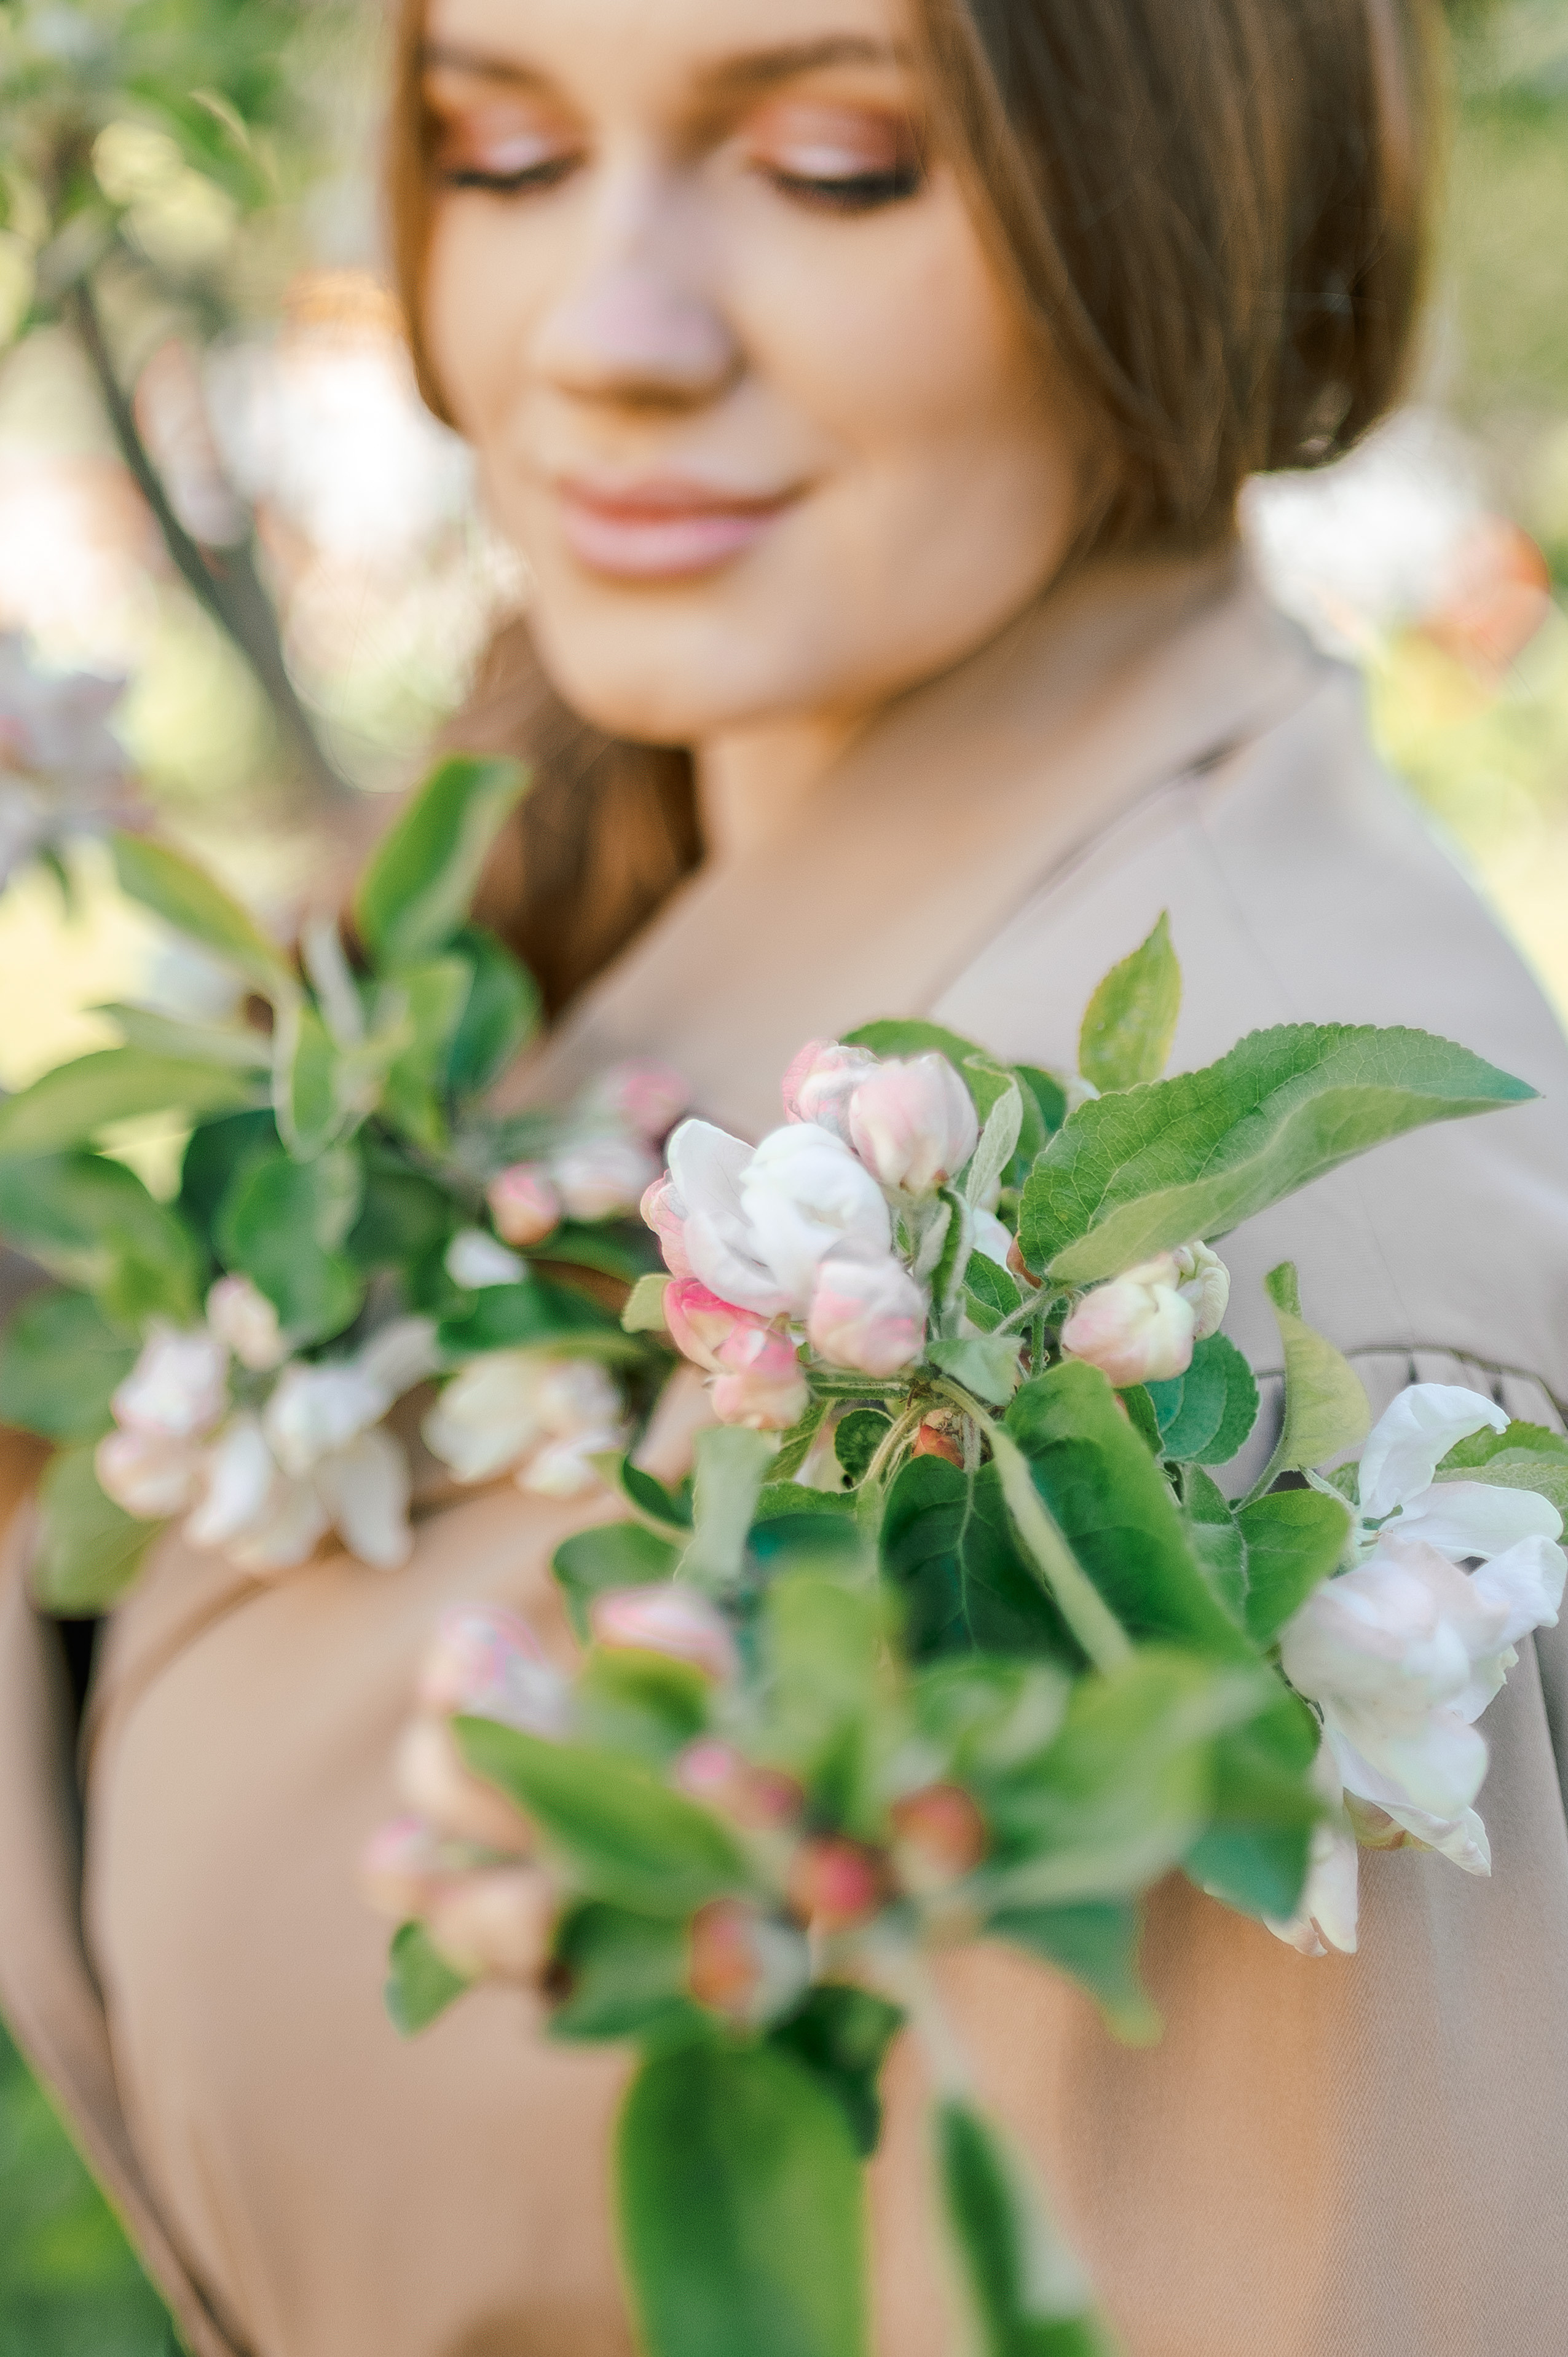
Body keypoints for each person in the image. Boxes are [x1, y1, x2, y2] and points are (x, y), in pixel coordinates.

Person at [4, 0, 1568, 2350]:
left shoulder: (1225, 1319)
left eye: (837, 163)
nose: (603, 337)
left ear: (1176, 173)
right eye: (502, 152)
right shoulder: (592, 879)